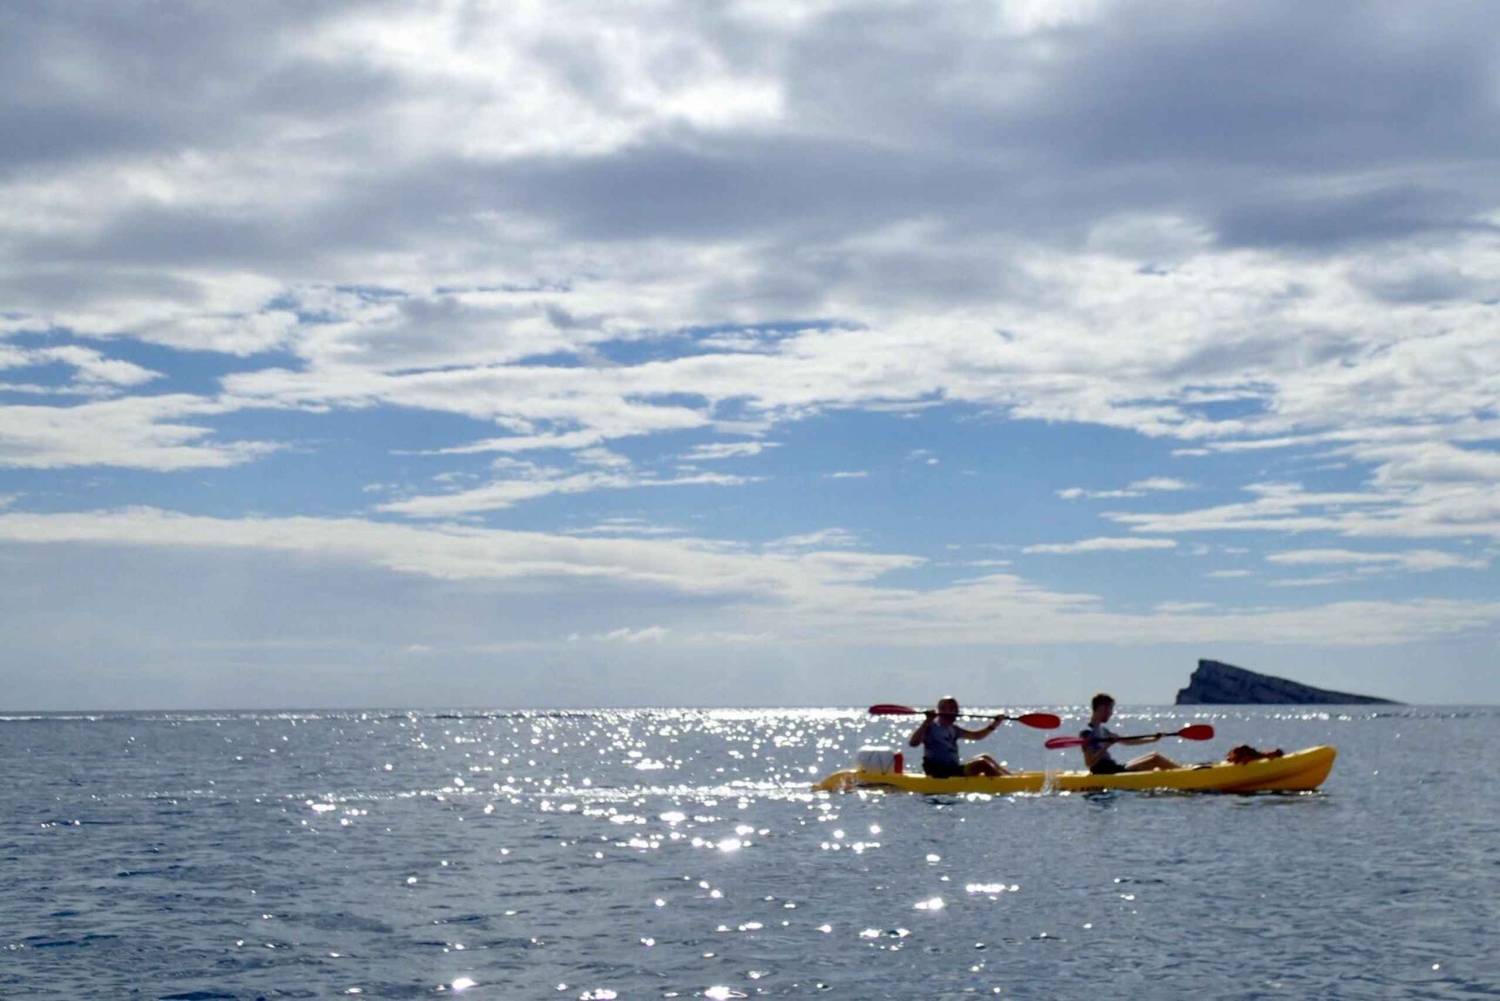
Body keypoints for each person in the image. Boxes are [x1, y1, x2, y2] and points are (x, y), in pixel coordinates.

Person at [908, 696, 1012, 777]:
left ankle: (1010, 778)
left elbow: (976, 736)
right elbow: (913, 743)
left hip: (953, 770)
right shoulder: (930, 728)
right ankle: (1008, 786)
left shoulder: (954, 729)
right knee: (982, 764)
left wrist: (995, 724)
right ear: (941, 710)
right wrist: (927, 721)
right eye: (952, 709)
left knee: (985, 757)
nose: (956, 712)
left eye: (956, 709)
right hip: (940, 773)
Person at [1080, 693, 1179, 774]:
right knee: (1155, 759)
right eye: (1110, 709)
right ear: (1101, 708)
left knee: (1154, 755)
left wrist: (1153, 739)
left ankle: (1181, 771)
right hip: (1105, 771)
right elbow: (1089, 763)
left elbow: (1129, 742)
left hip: (1114, 767)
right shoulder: (1087, 732)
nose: (1111, 713)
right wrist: (1106, 746)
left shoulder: (1103, 730)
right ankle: (1184, 775)